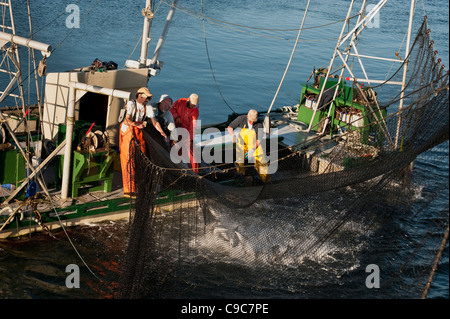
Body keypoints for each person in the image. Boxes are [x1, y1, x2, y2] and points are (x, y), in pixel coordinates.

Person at [119, 87, 167, 197]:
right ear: (140, 96)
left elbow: (154, 121)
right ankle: (129, 189)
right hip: (128, 131)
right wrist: (135, 124)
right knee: (128, 160)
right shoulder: (132, 104)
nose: (148, 100)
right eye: (146, 98)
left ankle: (141, 185)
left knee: (142, 157)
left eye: (149, 98)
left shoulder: (148, 107)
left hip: (138, 131)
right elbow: (127, 119)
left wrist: (161, 132)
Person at [227, 109, 270, 183]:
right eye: (250, 121)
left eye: (254, 121)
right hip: (242, 143)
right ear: (247, 116)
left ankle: (266, 181)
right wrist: (233, 135)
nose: (252, 122)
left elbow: (259, 140)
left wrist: (253, 149)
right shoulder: (241, 119)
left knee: (261, 161)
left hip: (254, 144)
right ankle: (241, 178)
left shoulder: (259, 124)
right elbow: (230, 127)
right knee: (239, 160)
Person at [170, 93, 200, 173]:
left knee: (191, 152)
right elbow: (171, 109)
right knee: (176, 149)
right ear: (188, 100)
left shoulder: (195, 111)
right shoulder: (180, 101)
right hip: (175, 127)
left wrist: (190, 138)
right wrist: (176, 116)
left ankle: (194, 172)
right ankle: (177, 168)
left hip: (186, 131)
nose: (192, 106)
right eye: (191, 104)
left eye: (194, 105)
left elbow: (193, 125)